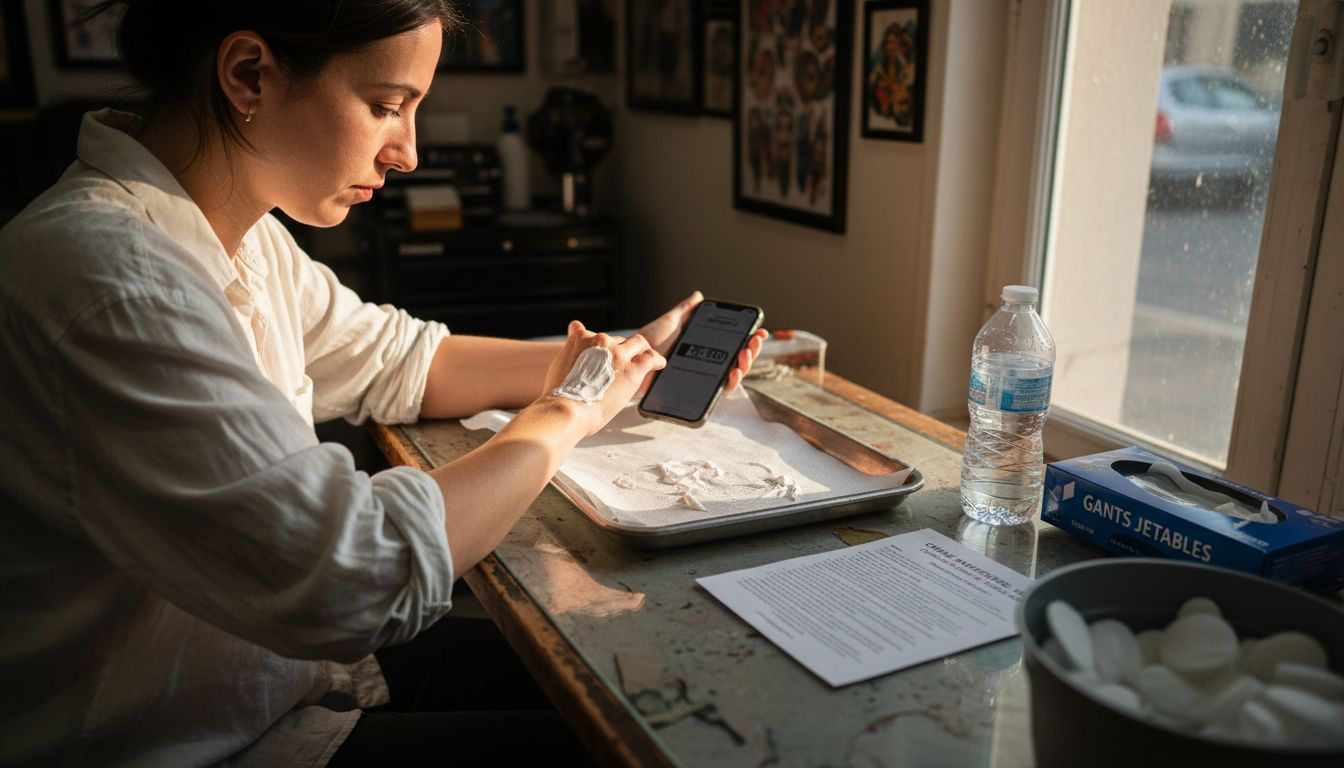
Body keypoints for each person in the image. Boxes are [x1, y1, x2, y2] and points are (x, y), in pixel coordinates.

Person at [0, 1, 766, 766]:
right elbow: (355, 574)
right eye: (386, 106)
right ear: (247, 75)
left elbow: (397, 358)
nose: (407, 153)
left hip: (277, 686)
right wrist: (567, 412)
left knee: (639, 688)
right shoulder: (111, 278)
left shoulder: (239, 232)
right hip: (192, 742)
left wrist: (618, 364)